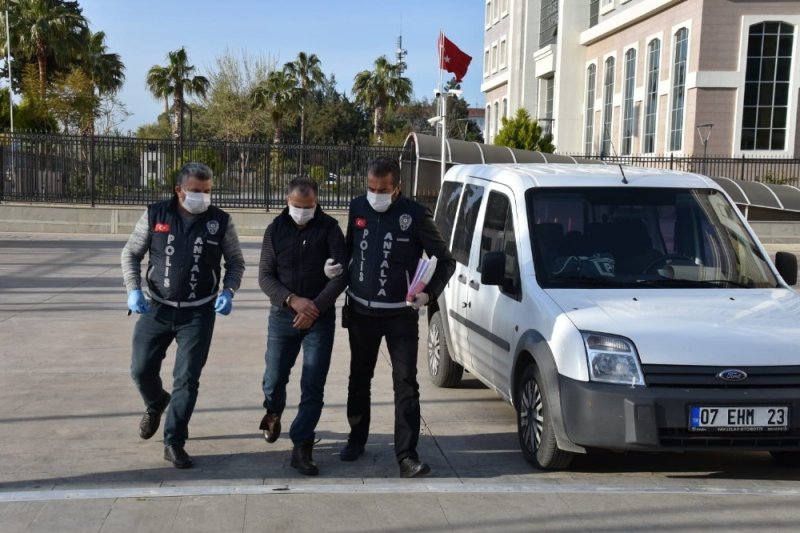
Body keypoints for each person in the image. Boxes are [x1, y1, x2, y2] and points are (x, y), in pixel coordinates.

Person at [325, 156, 455, 478]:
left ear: (396, 188)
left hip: (400, 316)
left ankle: (407, 455)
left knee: (406, 383)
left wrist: (429, 294)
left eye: (382, 190)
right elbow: (349, 248)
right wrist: (333, 266)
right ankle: (356, 439)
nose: (375, 195)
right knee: (359, 378)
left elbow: (445, 260)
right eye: (371, 188)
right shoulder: (357, 207)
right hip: (361, 311)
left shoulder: (415, 216)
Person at [121, 162, 245, 469]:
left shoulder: (220, 221)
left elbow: (235, 262)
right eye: (195, 191)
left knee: (187, 379)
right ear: (179, 190)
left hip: (198, 313)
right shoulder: (156, 215)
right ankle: (156, 402)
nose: (202, 197)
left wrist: (229, 291)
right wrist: (133, 289)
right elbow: (131, 253)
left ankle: (174, 441)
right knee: (140, 370)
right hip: (156, 308)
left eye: (207, 191)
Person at [258, 177, 347, 476]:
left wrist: (315, 307)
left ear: (316, 202)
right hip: (282, 316)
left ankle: (302, 444)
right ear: (288, 201)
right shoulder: (275, 230)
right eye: (298, 206)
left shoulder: (330, 229)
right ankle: (273, 410)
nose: (303, 211)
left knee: (313, 382)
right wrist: (292, 300)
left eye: (309, 206)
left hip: (319, 319)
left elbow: (342, 276)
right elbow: (265, 277)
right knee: (274, 378)